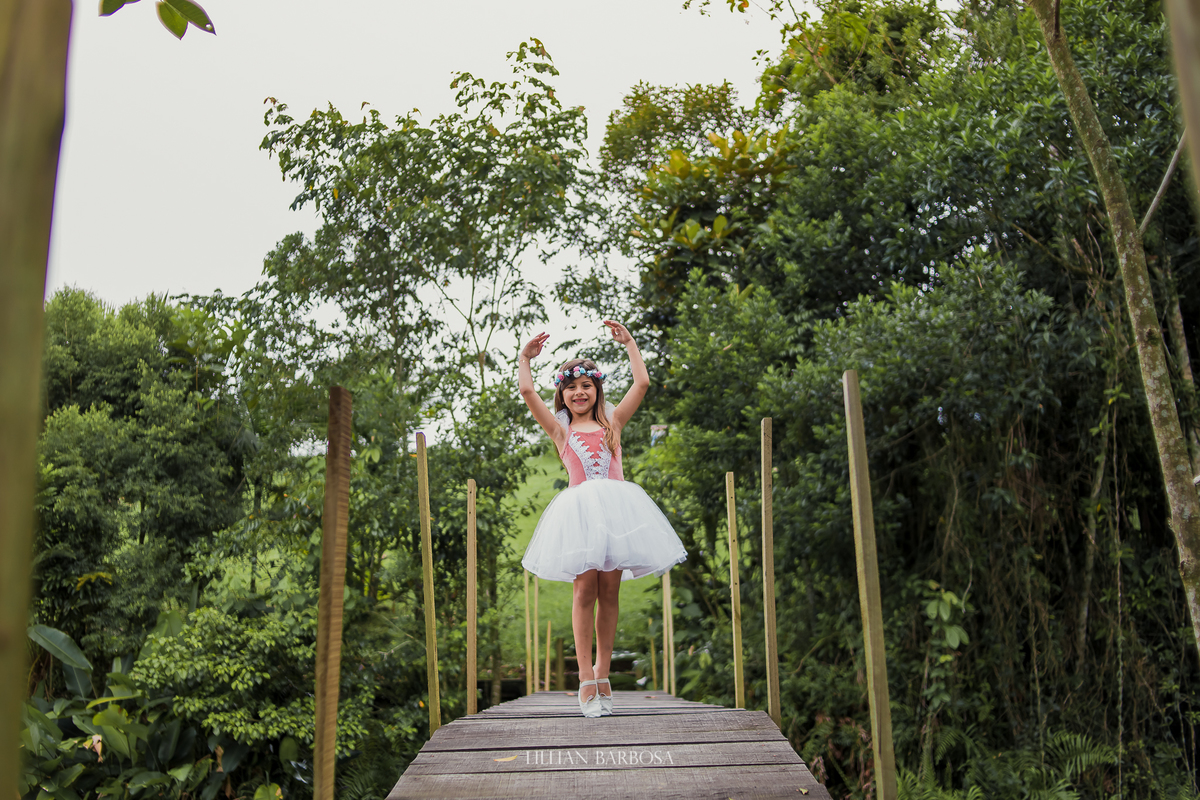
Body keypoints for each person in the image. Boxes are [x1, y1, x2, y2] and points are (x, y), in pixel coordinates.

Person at [517, 320, 687, 718]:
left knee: (610, 592)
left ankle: (604, 674)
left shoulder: (614, 423)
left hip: (617, 513)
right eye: (571, 387)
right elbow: (527, 391)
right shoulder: (560, 429)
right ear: (562, 393)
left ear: (597, 390)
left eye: (587, 386)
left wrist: (629, 343)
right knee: (584, 592)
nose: (579, 393)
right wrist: (525, 358)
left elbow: (642, 384)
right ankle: (585, 679)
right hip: (580, 515)